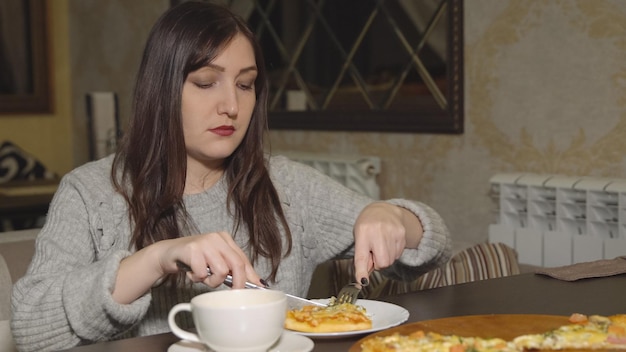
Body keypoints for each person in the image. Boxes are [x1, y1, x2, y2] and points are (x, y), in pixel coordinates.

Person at [11, 1, 451, 351]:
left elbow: (431, 245)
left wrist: (390, 214)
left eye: (245, 84)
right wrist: (155, 259)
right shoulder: (90, 193)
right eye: (206, 82)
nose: (232, 107)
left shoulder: (287, 186)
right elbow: (31, 329)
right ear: (161, 89)